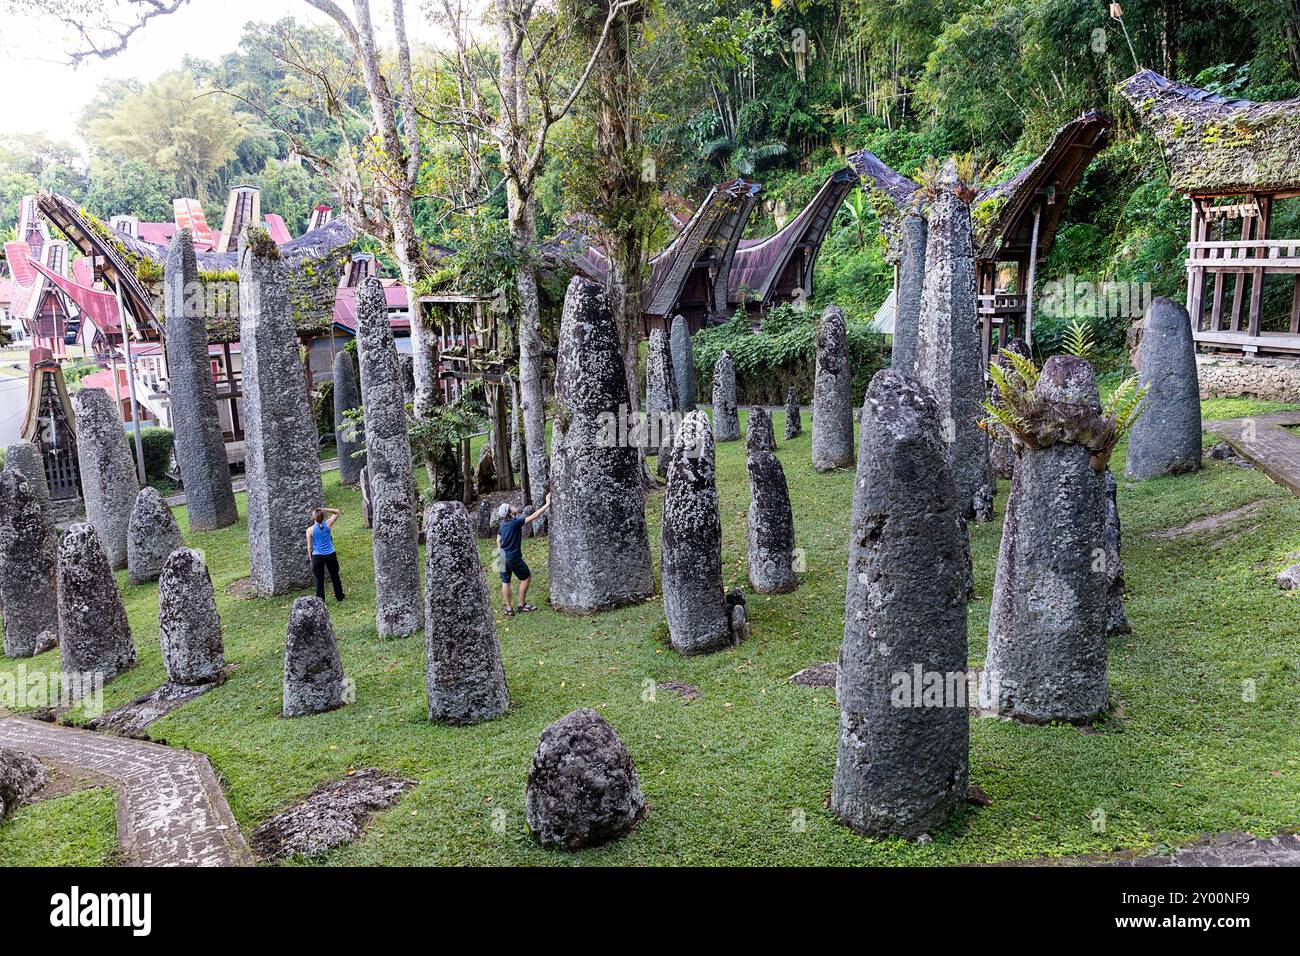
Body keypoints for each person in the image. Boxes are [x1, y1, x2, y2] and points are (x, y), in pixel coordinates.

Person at [497, 493, 551, 615]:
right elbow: (535, 515)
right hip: (513, 556)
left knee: (505, 582)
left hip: (501, 556)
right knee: (526, 577)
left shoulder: (502, 525)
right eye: (510, 506)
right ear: (509, 512)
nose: (513, 506)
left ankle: (509, 609)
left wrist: (502, 552)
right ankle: (521, 605)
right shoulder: (514, 523)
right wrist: (547, 503)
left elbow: (498, 541)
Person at [306, 507, 345, 602]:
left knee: (319, 579)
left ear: (314, 518)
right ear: (323, 517)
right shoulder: (328, 524)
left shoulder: (310, 530)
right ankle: (339, 597)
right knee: (335, 576)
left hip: (317, 556)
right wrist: (325, 509)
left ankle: (320, 600)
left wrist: (311, 558)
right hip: (330, 554)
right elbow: (337, 511)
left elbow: (309, 547)